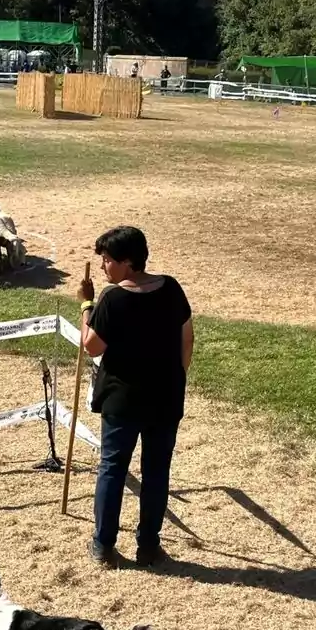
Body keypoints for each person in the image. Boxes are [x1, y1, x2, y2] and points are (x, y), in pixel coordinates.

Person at [78, 226, 194, 567]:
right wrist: (176, 378)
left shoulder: (113, 299)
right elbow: (187, 338)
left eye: (108, 260)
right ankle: (149, 546)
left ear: (127, 262)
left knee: (112, 468)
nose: (103, 266)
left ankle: (103, 545)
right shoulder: (171, 288)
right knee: (157, 471)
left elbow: (91, 345)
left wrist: (87, 304)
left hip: (123, 402)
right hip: (165, 398)